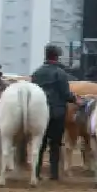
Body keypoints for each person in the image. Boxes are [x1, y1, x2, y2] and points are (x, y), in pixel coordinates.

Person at [31, 44, 76, 181]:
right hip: (57, 112)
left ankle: (36, 172)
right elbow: (65, 94)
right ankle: (54, 173)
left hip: (39, 112)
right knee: (55, 144)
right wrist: (75, 99)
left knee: (40, 143)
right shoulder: (60, 73)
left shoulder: (36, 73)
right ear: (57, 56)